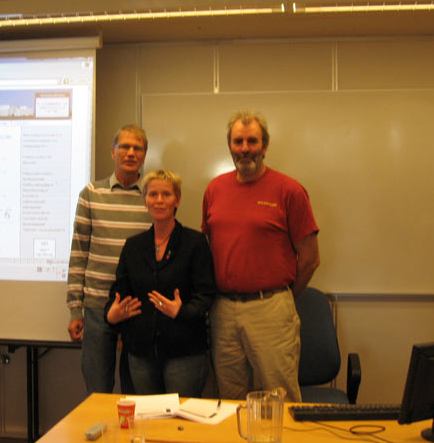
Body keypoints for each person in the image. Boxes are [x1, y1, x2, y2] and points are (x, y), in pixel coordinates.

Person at [201, 110, 320, 402]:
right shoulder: (214, 189)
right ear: (229, 146)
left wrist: (281, 298)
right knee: (230, 400)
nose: (245, 149)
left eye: (252, 141)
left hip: (271, 309)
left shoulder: (289, 190)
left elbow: (310, 259)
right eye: (238, 141)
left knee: (280, 397)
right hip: (223, 311)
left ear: (264, 146)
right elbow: (209, 247)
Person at [104, 169, 217, 397]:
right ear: (145, 200)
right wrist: (112, 315)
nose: (159, 200)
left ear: (177, 200)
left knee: (180, 417)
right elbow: (118, 293)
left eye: (166, 194)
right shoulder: (133, 246)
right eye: (153, 194)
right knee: (148, 416)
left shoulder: (195, 243)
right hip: (140, 352)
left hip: (184, 352)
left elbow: (206, 295)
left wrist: (181, 311)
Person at [66, 124, 152, 394]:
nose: (130, 153)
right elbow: (79, 253)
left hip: (137, 306)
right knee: (97, 389)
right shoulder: (91, 194)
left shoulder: (153, 197)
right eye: (124, 147)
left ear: (144, 155)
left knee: (135, 390)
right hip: (96, 306)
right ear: (113, 152)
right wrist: (75, 309)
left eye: (137, 148)